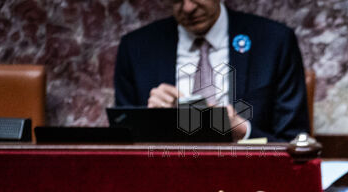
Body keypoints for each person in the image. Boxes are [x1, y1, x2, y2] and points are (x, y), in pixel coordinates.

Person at [113, 0, 311, 141]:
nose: (188, 7)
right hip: (166, 177)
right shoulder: (136, 49)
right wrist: (151, 122)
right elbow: (122, 146)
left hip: (250, 177)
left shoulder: (274, 42)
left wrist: (243, 132)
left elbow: (295, 144)